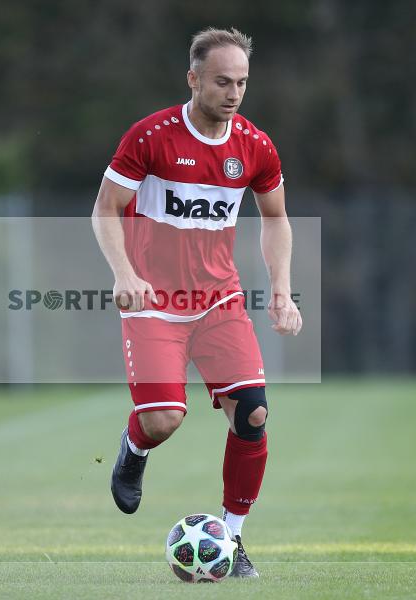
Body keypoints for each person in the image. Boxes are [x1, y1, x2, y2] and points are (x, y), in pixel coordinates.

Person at [91, 27, 301, 578]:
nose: (234, 93)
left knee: (253, 413)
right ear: (193, 78)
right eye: (222, 82)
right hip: (154, 302)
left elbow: (275, 220)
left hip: (217, 303)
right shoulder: (152, 136)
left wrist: (281, 290)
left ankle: (231, 542)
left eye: (242, 83)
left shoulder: (254, 146)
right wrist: (124, 274)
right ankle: (133, 449)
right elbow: (104, 209)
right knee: (163, 420)